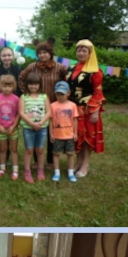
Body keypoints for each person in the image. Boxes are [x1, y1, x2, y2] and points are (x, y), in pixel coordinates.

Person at [18, 38, 68, 167]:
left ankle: (50, 161)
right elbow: (21, 78)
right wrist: (27, 94)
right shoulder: (32, 67)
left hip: (54, 105)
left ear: (50, 53)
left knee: (52, 132)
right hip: (36, 105)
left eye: (45, 52)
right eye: (40, 53)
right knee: (35, 131)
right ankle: (36, 160)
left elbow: (68, 80)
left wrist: (64, 96)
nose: (42, 55)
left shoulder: (59, 67)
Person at [66, 39, 106, 177]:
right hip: (72, 108)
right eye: (79, 50)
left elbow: (98, 92)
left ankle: (85, 164)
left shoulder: (95, 71)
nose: (81, 53)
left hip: (87, 109)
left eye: (84, 51)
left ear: (90, 53)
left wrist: (95, 111)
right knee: (76, 136)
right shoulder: (71, 68)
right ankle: (78, 162)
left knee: (87, 137)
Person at [0, 46, 21, 165]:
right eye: (4, 55)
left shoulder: (18, 70)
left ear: (13, 56)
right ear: (0, 57)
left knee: (12, 131)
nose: (6, 58)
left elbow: (20, 89)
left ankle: (10, 156)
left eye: (9, 55)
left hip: (13, 106)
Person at [19, 71, 51, 183]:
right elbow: (21, 113)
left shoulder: (44, 96)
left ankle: (40, 170)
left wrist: (40, 123)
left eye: (36, 84)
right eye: (31, 84)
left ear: (40, 85)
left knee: (40, 150)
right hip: (28, 129)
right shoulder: (24, 97)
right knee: (29, 150)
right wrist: (32, 124)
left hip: (42, 128)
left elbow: (48, 112)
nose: (33, 86)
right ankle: (27, 171)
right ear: (27, 85)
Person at [0, 74, 21, 180]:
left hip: (13, 129)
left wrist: (14, 126)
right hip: (1, 128)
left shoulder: (16, 99)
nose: (7, 88)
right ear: (0, 86)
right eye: (5, 86)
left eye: (9, 86)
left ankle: (15, 171)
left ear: (13, 86)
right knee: (2, 149)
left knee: (13, 149)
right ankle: (2, 169)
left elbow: (19, 114)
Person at [49, 81, 79, 183]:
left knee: (70, 154)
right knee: (56, 154)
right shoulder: (52, 106)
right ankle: (57, 172)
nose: (60, 96)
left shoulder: (73, 105)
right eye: (58, 94)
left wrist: (75, 133)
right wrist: (51, 133)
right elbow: (51, 120)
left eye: (62, 94)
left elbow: (75, 120)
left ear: (68, 93)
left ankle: (70, 173)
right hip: (57, 135)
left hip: (69, 135)